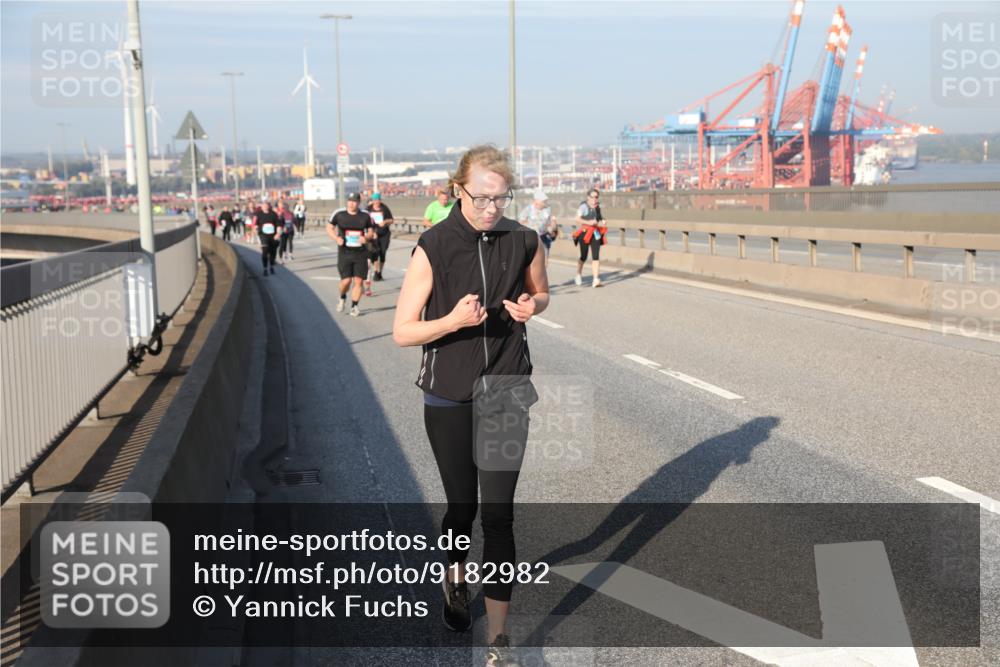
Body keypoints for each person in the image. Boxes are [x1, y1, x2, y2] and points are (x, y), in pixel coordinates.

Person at [393, 145, 549, 667]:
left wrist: (532, 306)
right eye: (482, 197)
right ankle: (454, 582)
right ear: (458, 189)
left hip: (505, 387)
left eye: (501, 198)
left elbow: (541, 293)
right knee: (464, 509)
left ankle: (498, 639)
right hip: (449, 394)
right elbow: (402, 331)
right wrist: (450, 323)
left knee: (500, 516)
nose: (491, 208)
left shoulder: (524, 239)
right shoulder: (433, 247)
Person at [327, 192, 375, 317]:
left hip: (360, 253)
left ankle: (354, 306)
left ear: (359, 203)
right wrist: (336, 238)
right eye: (350, 201)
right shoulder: (339, 214)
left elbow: (371, 231)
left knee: (358, 282)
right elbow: (329, 227)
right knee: (346, 281)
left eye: (355, 201)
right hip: (344, 253)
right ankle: (342, 297)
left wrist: (366, 237)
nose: (352, 203)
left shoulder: (365, 215)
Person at [571, 188, 606, 287]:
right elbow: (577, 218)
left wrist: (603, 220)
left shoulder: (597, 207)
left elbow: (599, 216)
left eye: (596, 197)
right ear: (588, 197)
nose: (595, 199)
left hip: (595, 233)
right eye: (593, 197)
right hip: (585, 232)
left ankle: (596, 279)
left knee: (596, 256)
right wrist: (589, 222)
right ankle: (578, 274)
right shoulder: (583, 206)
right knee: (584, 256)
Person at [518, 189, 558, 267]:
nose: (545, 203)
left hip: (543, 237)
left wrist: (552, 227)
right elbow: (520, 222)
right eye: (543, 201)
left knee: (544, 261)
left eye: (546, 201)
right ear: (536, 201)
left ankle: (542, 277)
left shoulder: (548, 209)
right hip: (530, 237)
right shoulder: (528, 209)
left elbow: (553, 222)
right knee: (530, 261)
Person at [365, 192, 394, 281]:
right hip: (373, 234)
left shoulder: (384, 208)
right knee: (374, 253)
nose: (377, 201)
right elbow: (364, 222)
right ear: (372, 200)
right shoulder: (368, 209)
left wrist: (385, 222)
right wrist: (370, 232)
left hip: (384, 234)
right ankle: (376, 271)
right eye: (375, 200)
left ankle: (379, 272)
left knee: (382, 253)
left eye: (378, 200)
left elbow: (391, 220)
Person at [255, 200, 281, 276]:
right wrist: (256, 230)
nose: (265, 207)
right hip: (263, 235)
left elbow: (278, 225)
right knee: (265, 252)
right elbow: (256, 224)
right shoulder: (259, 214)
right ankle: (265, 269)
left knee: (273, 253)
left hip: (273, 236)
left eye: (267, 205)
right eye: (264, 206)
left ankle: (271, 266)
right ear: (262, 207)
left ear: (269, 206)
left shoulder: (273, 214)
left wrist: (278, 233)